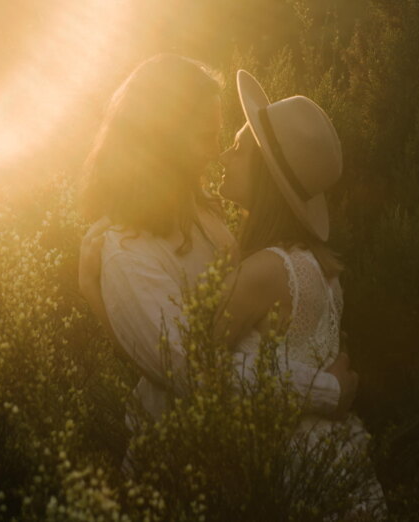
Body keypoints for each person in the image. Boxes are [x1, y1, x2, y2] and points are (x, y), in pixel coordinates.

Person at [77, 55, 358, 458]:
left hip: (239, 455)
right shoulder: (127, 254)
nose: (216, 153)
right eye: (206, 137)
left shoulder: (204, 213)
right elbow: (191, 369)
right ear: (162, 140)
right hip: (179, 462)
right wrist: (326, 390)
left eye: (224, 139)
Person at [212, 70, 386, 514]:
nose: (224, 155)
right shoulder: (322, 268)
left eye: (238, 148)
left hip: (290, 472)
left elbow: (194, 363)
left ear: (264, 175)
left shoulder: (264, 270)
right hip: (337, 461)